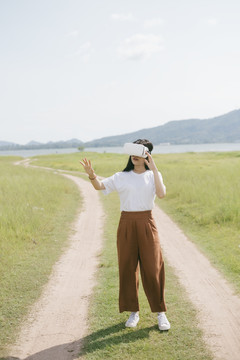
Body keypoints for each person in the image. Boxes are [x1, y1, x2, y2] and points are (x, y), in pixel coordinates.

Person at [80, 139, 170, 331]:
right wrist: (91, 175)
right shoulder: (121, 176)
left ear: (147, 154)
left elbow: (161, 194)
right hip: (126, 223)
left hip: (147, 222)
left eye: (140, 151)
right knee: (127, 268)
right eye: (133, 151)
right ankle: (133, 312)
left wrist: (154, 169)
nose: (134, 155)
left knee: (153, 268)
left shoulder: (153, 175)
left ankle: (160, 312)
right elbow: (99, 187)